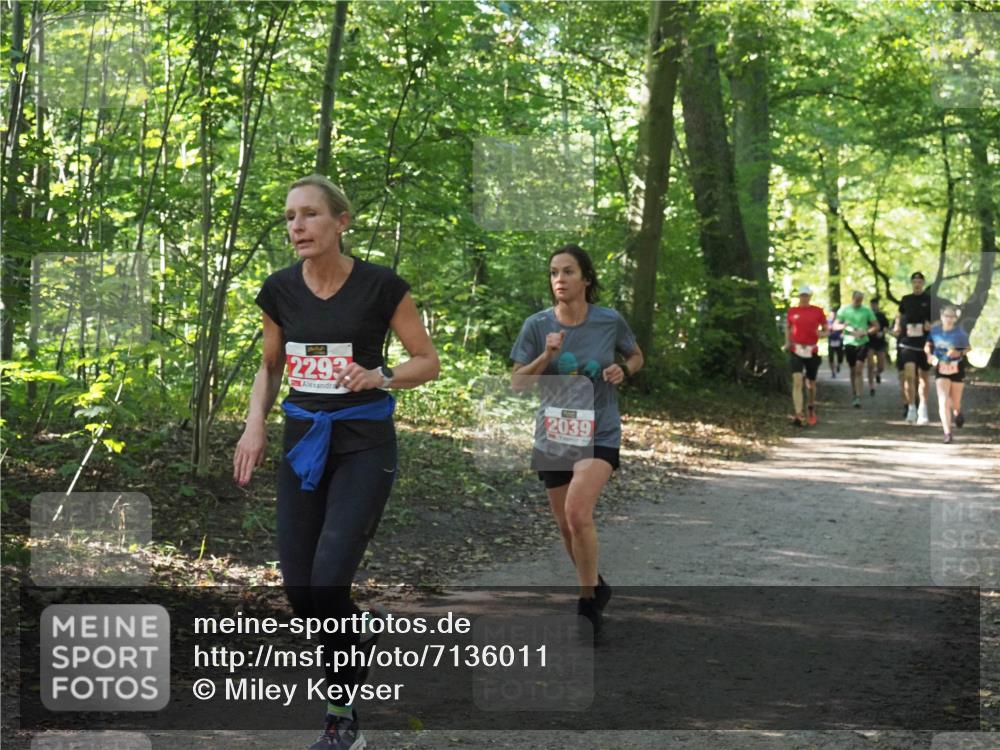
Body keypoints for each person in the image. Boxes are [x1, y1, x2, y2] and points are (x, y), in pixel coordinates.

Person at [232, 174, 440, 750]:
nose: (296, 226)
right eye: (290, 217)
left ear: (341, 222)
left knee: (327, 584)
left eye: (309, 215)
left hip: (364, 446)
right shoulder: (279, 291)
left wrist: (383, 375)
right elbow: (271, 367)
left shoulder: (381, 288)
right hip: (304, 446)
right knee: (302, 594)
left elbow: (428, 361)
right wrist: (254, 427)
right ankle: (359, 637)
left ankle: (341, 718)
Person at [510, 244, 643, 640]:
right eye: (554, 273)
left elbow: (636, 356)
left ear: (586, 278)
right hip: (555, 434)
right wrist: (546, 355)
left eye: (568, 272)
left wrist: (624, 369)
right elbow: (518, 383)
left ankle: (587, 605)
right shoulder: (537, 326)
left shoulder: (608, 321)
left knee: (577, 513)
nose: (559, 280)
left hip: (599, 431)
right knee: (567, 526)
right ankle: (596, 585)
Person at [925, 305, 971, 443]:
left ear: (955, 319)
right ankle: (947, 433)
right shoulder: (935, 331)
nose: (949, 319)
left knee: (955, 402)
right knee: (943, 400)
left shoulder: (960, 333)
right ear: (941, 316)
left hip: (956, 368)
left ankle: (957, 412)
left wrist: (959, 352)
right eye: (946, 316)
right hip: (941, 368)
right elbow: (927, 346)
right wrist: (929, 355)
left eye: (952, 316)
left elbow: (968, 348)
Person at [785, 285, 828, 426]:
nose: (804, 297)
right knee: (797, 380)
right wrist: (787, 342)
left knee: (810, 383)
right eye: (801, 295)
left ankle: (810, 407)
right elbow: (788, 327)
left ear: (810, 296)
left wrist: (822, 334)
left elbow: (826, 329)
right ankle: (798, 414)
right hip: (796, 349)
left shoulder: (817, 311)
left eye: (806, 295)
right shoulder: (793, 311)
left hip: (812, 351)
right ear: (799, 297)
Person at [895, 272, 932, 425]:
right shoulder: (906, 299)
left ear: (923, 283)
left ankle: (923, 408)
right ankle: (911, 407)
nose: (917, 284)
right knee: (909, 375)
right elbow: (899, 315)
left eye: (919, 281)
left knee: (923, 377)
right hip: (907, 342)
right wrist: (897, 326)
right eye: (914, 281)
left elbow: (939, 320)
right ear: (911, 283)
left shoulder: (929, 300)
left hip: (924, 344)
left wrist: (931, 326)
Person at [833, 291, 878, 408]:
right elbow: (834, 325)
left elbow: (876, 326)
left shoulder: (866, 310)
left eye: (861, 300)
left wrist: (866, 332)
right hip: (849, 342)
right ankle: (854, 393)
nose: (859, 302)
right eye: (857, 299)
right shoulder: (844, 310)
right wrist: (843, 326)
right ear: (852, 298)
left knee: (859, 369)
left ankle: (858, 395)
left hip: (863, 342)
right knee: (853, 370)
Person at [867, 297, 890, 397]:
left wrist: (882, 332)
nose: (873, 306)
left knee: (881, 366)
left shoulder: (881, 315)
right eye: (872, 305)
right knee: (870, 364)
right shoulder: (867, 315)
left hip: (880, 342)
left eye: (875, 305)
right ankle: (871, 386)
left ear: (877, 305)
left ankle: (877, 373)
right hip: (869, 342)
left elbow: (886, 327)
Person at [827, 311, 845, 378]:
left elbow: (844, 329)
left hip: (839, 342)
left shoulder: (840, 321)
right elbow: (825, 329)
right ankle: (833, 372)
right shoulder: (827, 322)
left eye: (833, 315)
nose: (832, 316)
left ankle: (839, 365)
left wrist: (842, 335)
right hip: (831, 342)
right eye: (831, 315)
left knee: (840, 357)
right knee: (831, 358)